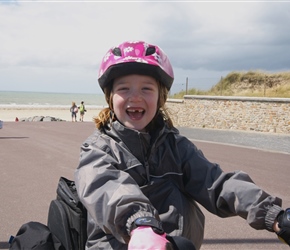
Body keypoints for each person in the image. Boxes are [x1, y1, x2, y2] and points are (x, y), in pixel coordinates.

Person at [74, 40, 290, 250]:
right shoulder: (97, 149)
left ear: (161, 97)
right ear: (110, 98)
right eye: (124, 88)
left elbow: (217, 183)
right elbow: (104, 186)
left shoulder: (176, 147)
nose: (135, 96)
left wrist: (275, 216)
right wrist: (140, 224)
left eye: (146, 89)